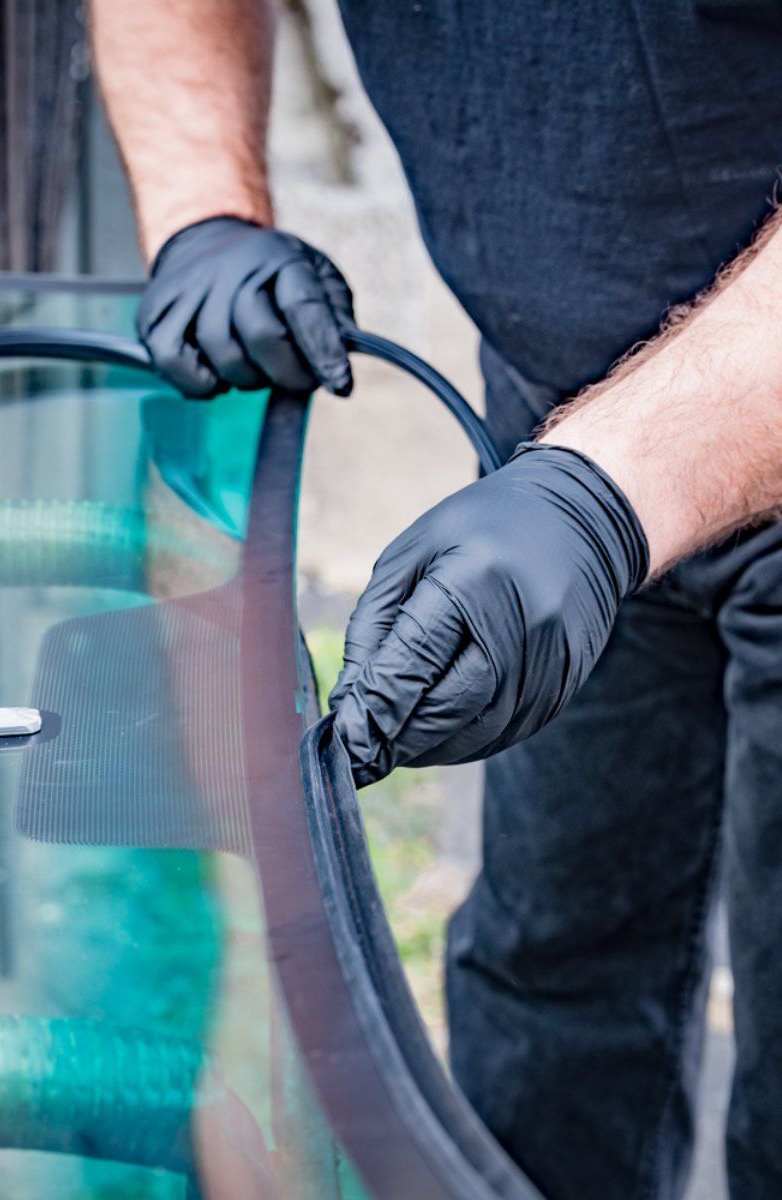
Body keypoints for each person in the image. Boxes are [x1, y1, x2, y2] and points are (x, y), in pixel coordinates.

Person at [89, 3, 782, 1198]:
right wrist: (204, 212)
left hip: (602, 472)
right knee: (550, 974)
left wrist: (605, 494)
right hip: (566, 430)